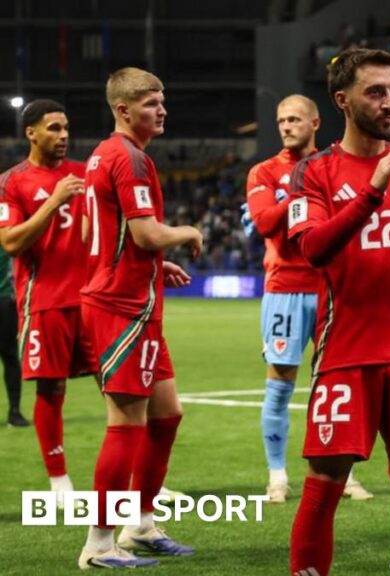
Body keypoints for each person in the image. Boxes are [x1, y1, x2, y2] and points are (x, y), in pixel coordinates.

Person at [286, 48, 390, 576]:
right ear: (342, 100)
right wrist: (372, 192)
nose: (388, 103)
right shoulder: (314, 171)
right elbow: (312, 248)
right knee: (325, 484)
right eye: (375, 92)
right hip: (347, 350)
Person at [78, 67, 202, 568]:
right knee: (125, 424)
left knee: (166, 415)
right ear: (124, 110)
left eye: (163, 100)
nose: (162, 109)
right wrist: (185, 232)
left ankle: (142, 525)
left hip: (135, 304)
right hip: (120, 309)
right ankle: (99, 544)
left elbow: (105, 227)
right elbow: (147, 233)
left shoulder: (104, 156)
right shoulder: (128, 158)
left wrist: (152, 262)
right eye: (152, 102)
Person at [242, 94, 377, 503]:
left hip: (330, 286)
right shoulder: (264, 171)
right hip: (284, 288)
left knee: (339, 384)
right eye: (282, 120)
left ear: (316, 122)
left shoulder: (332, 166)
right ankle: (277, 476)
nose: (286, 126)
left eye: (295, 119)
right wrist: (299, 195)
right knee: (280, 384)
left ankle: (345, 475)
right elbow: (265, 223)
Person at [0, 99, 93, 504]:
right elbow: (10, 241)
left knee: (121, 388)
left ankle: (142, 485)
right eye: (54, 128)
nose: (64, 135)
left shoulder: (84, 172)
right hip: (46, 301)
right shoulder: (12, 182)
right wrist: (54, 201)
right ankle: (59, 482)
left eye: (66, 127)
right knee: (51, 389)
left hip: (93, 299)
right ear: (31, 133)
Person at [0, 246, 27, 427]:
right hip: (6, 298)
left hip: (5, 298)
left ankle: (14, 411)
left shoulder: (7, 228)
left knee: (10, 356)